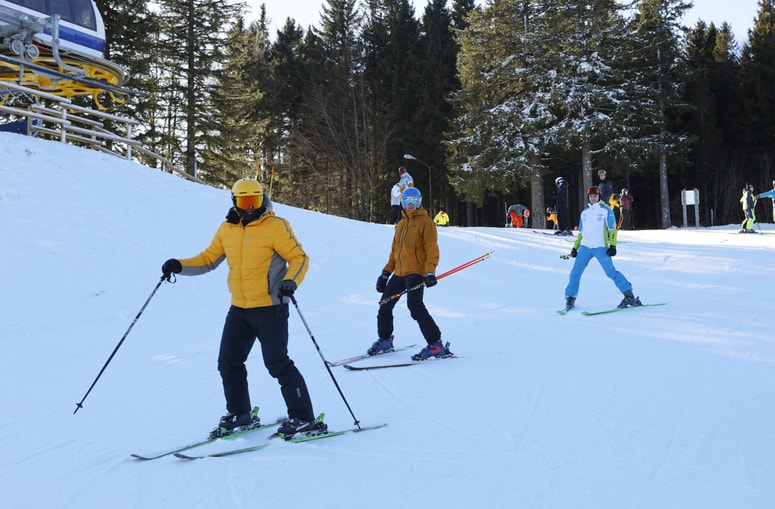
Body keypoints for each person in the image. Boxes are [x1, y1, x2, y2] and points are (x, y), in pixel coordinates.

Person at [161, 178, 325, 439]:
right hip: (239, 308)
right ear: (235, 202)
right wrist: (179, 265)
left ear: (264, 199)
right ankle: (240, 413)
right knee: (228, 362)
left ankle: (303, 417)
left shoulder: (276, 226)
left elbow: (299, 258)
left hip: (270, 307)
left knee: (277, 364)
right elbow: (208, 260)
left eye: (255, 201)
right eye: (244, 202)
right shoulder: (227, 229)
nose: (250, 207)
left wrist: (290, 281)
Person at [369, 187, 449, 361]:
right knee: (385, 304)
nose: (411, 204)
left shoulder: (426, 222)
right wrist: (385, 274)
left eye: (415, 200)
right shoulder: (400, 225)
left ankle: (436, 344)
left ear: (419, 202)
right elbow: (394, 252)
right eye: (408, 200)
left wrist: (430, 271)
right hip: (399, 273)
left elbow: (431, 248)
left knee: (415, 307)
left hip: (416, 273)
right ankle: (385, 340)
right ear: (403, 202)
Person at [563, 186, 641, 311]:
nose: (593, 198)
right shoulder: (585, 213)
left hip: (601, 247)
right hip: (585, 247)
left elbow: (612, 230)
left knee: (611, 272)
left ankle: (629, 295)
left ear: (599, 196)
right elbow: (581, 233)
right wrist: (575, 248)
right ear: (588, 197)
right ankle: (570, 299)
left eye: (595, 196)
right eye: (591, 196)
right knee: (575, 273)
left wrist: (613, 245)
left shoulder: (606, 210)